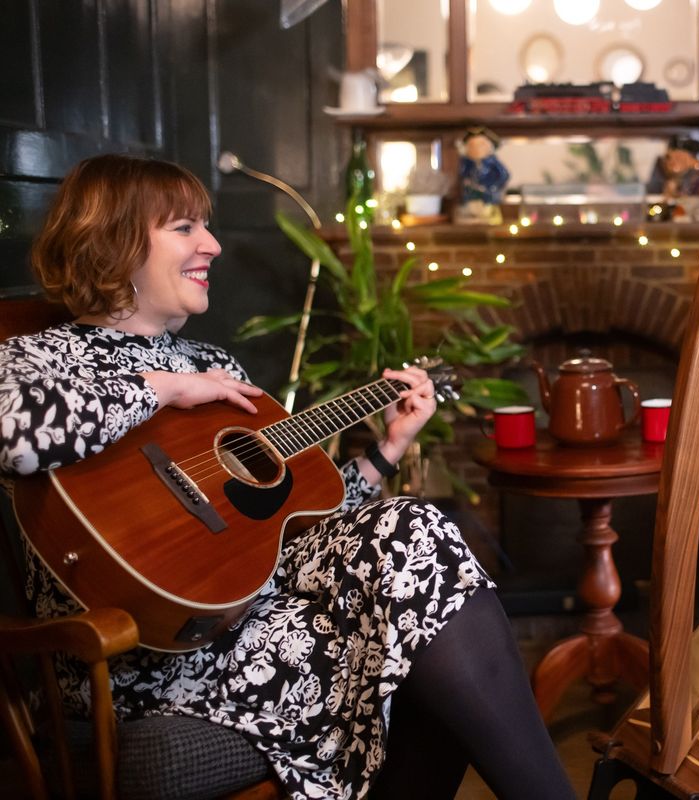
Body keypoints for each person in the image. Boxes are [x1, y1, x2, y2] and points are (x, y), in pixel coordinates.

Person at [0, 154, 575, 800]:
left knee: (414, 545)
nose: (212, 245)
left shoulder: (213, 365)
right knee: (416, 640)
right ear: (114, 238)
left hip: (251, 620)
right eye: (186, 227)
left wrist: (388, 448)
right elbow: (17, 436)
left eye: (206, 227)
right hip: (145, 659)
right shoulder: (32, 359)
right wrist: (166, 388)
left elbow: (296, 531)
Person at [646, 135, 699, 221]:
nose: (672, 162)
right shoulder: (662, 178)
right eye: (669, 158)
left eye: (679, 158)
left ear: (693, 161)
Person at [456, 125, 509, 224]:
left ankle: (486, 217)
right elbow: (462, 174)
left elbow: (503, 175)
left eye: (481, 145)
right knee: (472, 206)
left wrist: (493, 186)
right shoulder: (466, 163)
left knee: (487, 208)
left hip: (488, 193)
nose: (477, 149)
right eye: (473, 145)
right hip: (471, 193)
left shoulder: (492, 163)